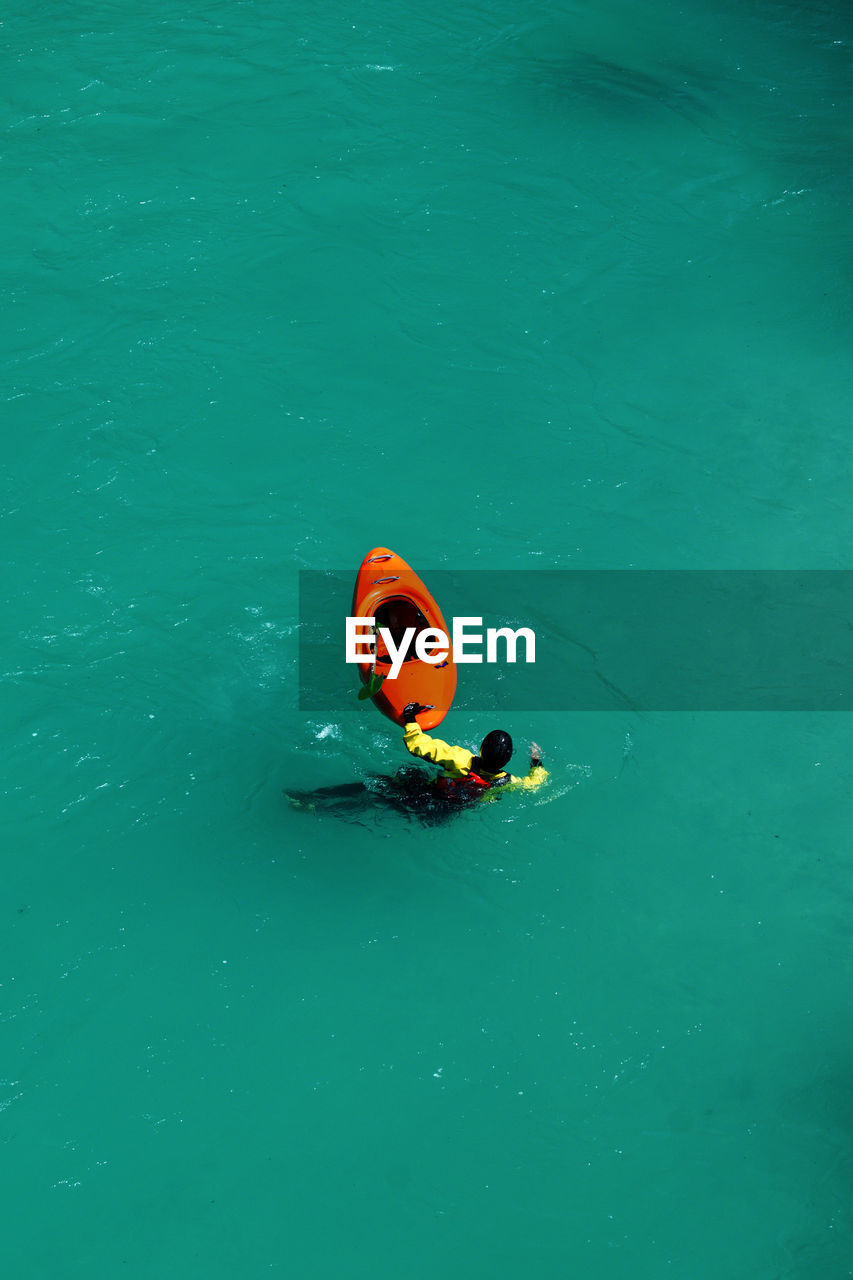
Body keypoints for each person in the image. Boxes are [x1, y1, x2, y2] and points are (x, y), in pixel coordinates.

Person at [401, 702, 547, 802]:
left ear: (481, 748)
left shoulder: (459, 759)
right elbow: (535, 784)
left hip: (424, 796)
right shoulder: (505, 781)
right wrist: (535, 760)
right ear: (507, 759)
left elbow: (417, 745)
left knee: (407, 773)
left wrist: (409, 717)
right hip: (451, 810)